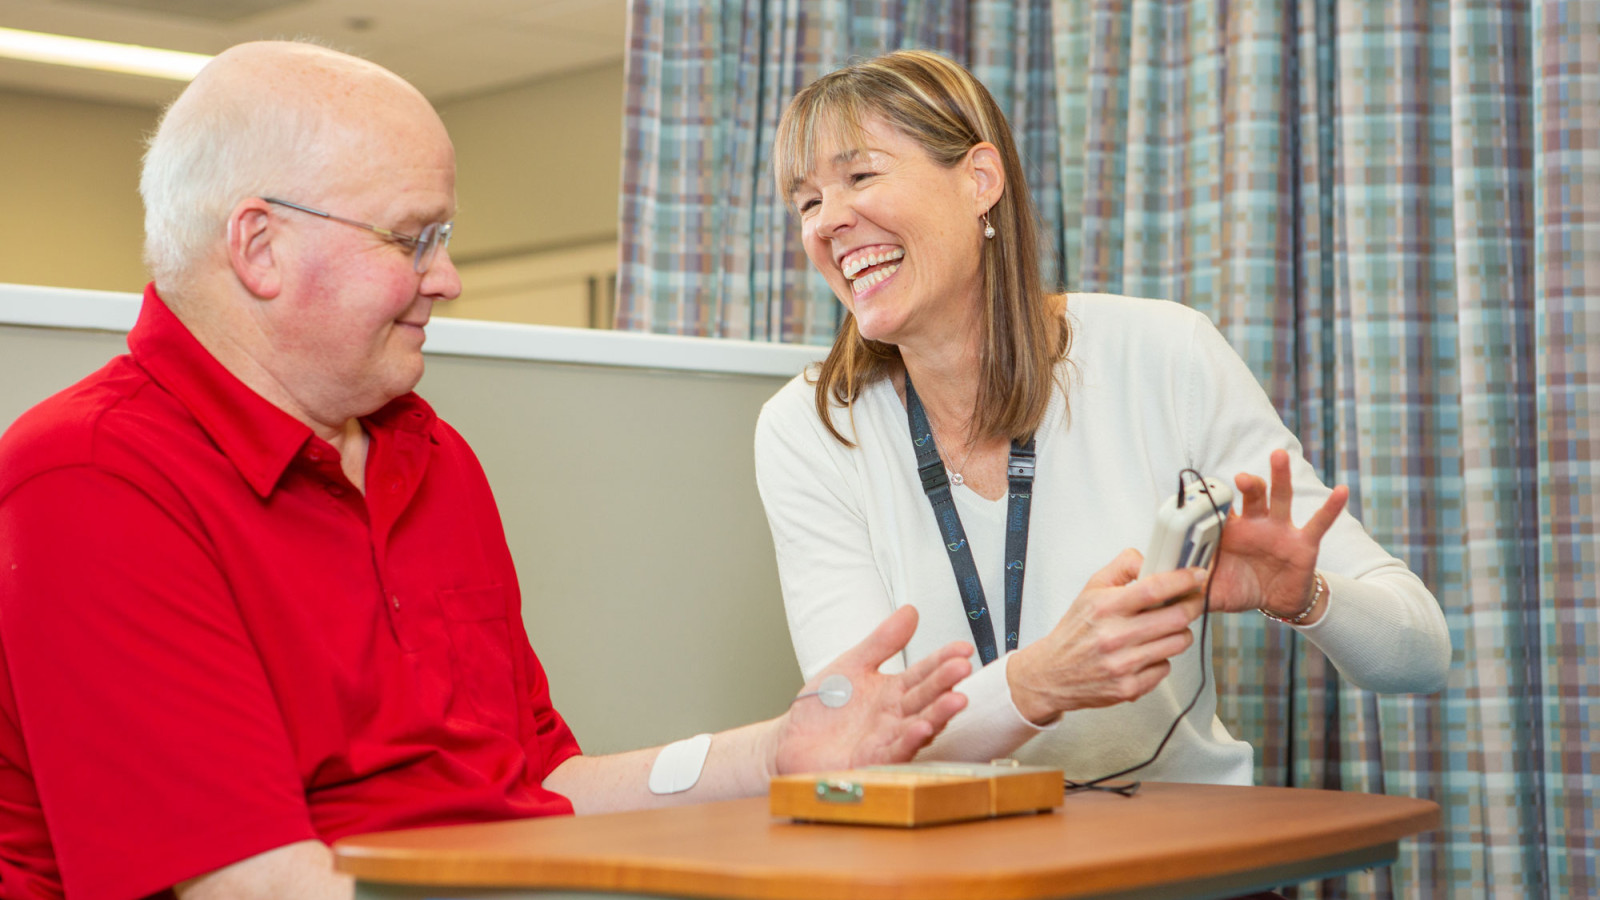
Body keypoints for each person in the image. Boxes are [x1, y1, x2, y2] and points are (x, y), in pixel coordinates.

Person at [0, 42, 976, 900]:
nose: (446, 278)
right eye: (411, 237)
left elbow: (532, 786)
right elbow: (254, 884)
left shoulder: (426, 457)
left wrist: (775, 755)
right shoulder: (90, 481)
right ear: (260, 245)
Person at [754, 50, 1451, 787]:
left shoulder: (1164, 355)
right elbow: (860, 742)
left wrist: (1303, 597)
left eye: (860, 176)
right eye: (806, 202)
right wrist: (1038, 681)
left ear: (980, 181)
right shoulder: (809, 428)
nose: (828, 221)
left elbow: (1421, 653)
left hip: (1176, 865)